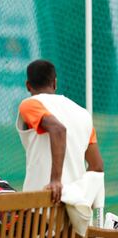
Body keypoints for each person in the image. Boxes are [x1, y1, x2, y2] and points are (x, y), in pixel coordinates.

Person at [16, 59, 104, 203]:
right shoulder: (83, 114)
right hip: (74, 208)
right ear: (55, 83)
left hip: (40, 206)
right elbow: (97, 166)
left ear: (28, 85)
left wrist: (56, 181)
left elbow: (58, 129)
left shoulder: (30, 104)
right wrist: (78, 193)